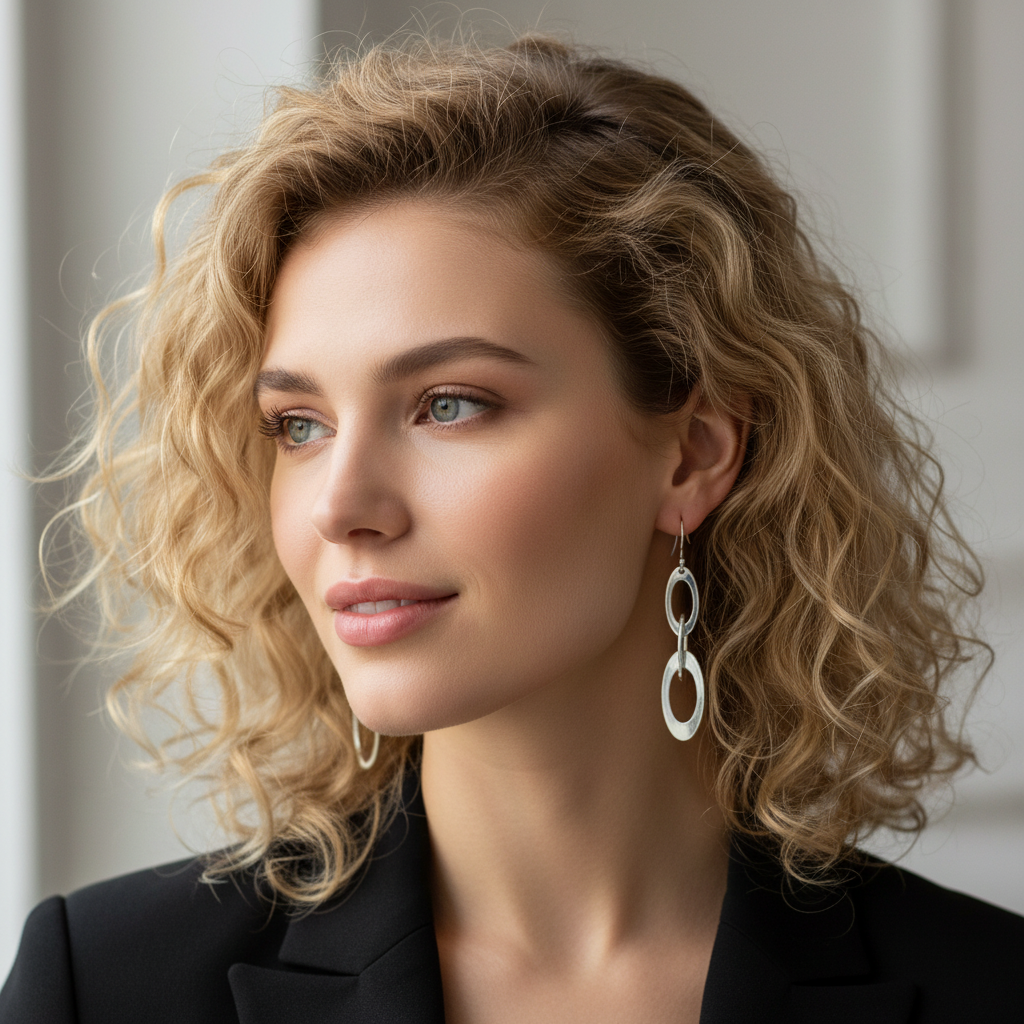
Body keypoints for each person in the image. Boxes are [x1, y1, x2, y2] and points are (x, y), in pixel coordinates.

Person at [2, 33, 1021, 1024]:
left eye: (448, 404)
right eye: (298, 425)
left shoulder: (991, 990)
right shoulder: (104, 987)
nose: (338, 506)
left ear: (693, 455)